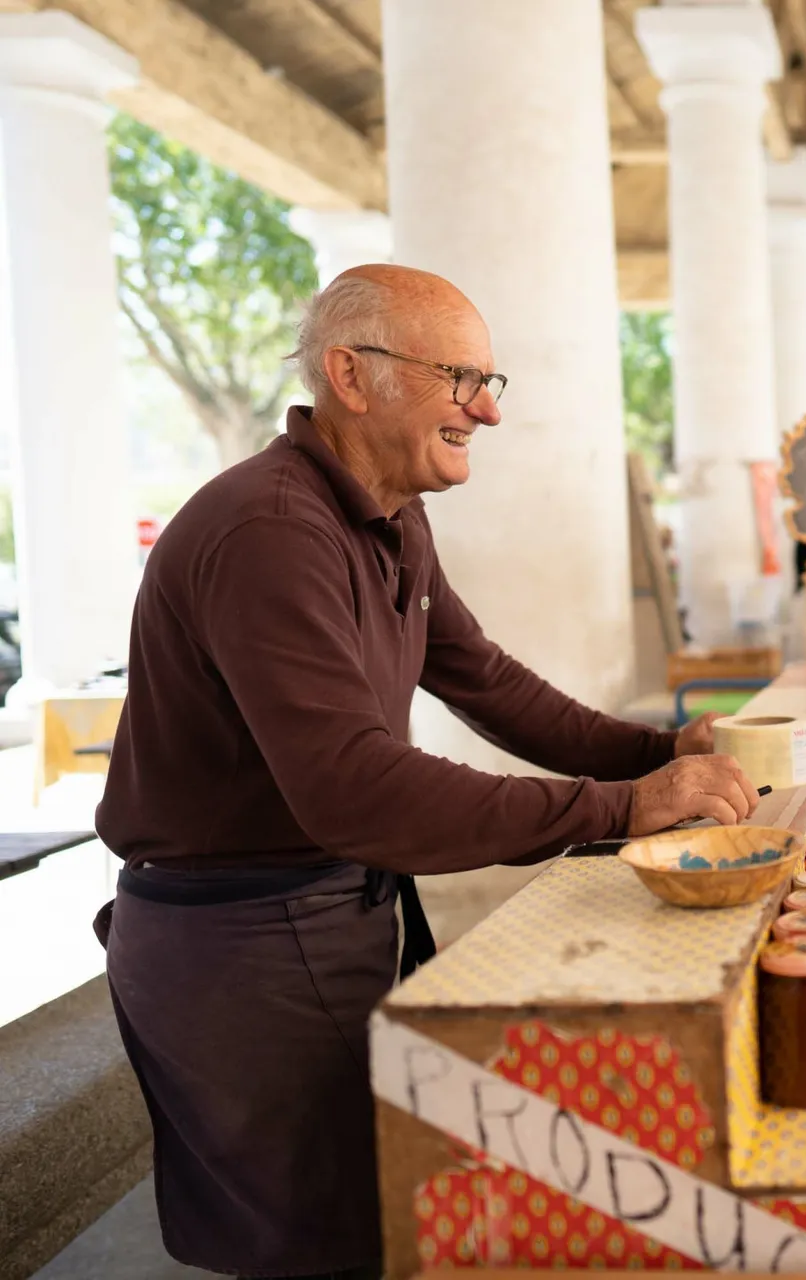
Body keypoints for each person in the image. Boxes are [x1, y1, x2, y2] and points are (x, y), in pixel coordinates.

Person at [93, 265, 755, 1280]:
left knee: (402, 1217)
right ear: (351, 375)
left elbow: (484, 679)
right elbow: (356, 787)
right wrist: (622, 807)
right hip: (245, 939)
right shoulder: (272, 527)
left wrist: (658, 752)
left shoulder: (388, 510)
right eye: (459, 379)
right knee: (339, 1243)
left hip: (322, 911)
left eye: (492, 381)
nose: (486, 409)